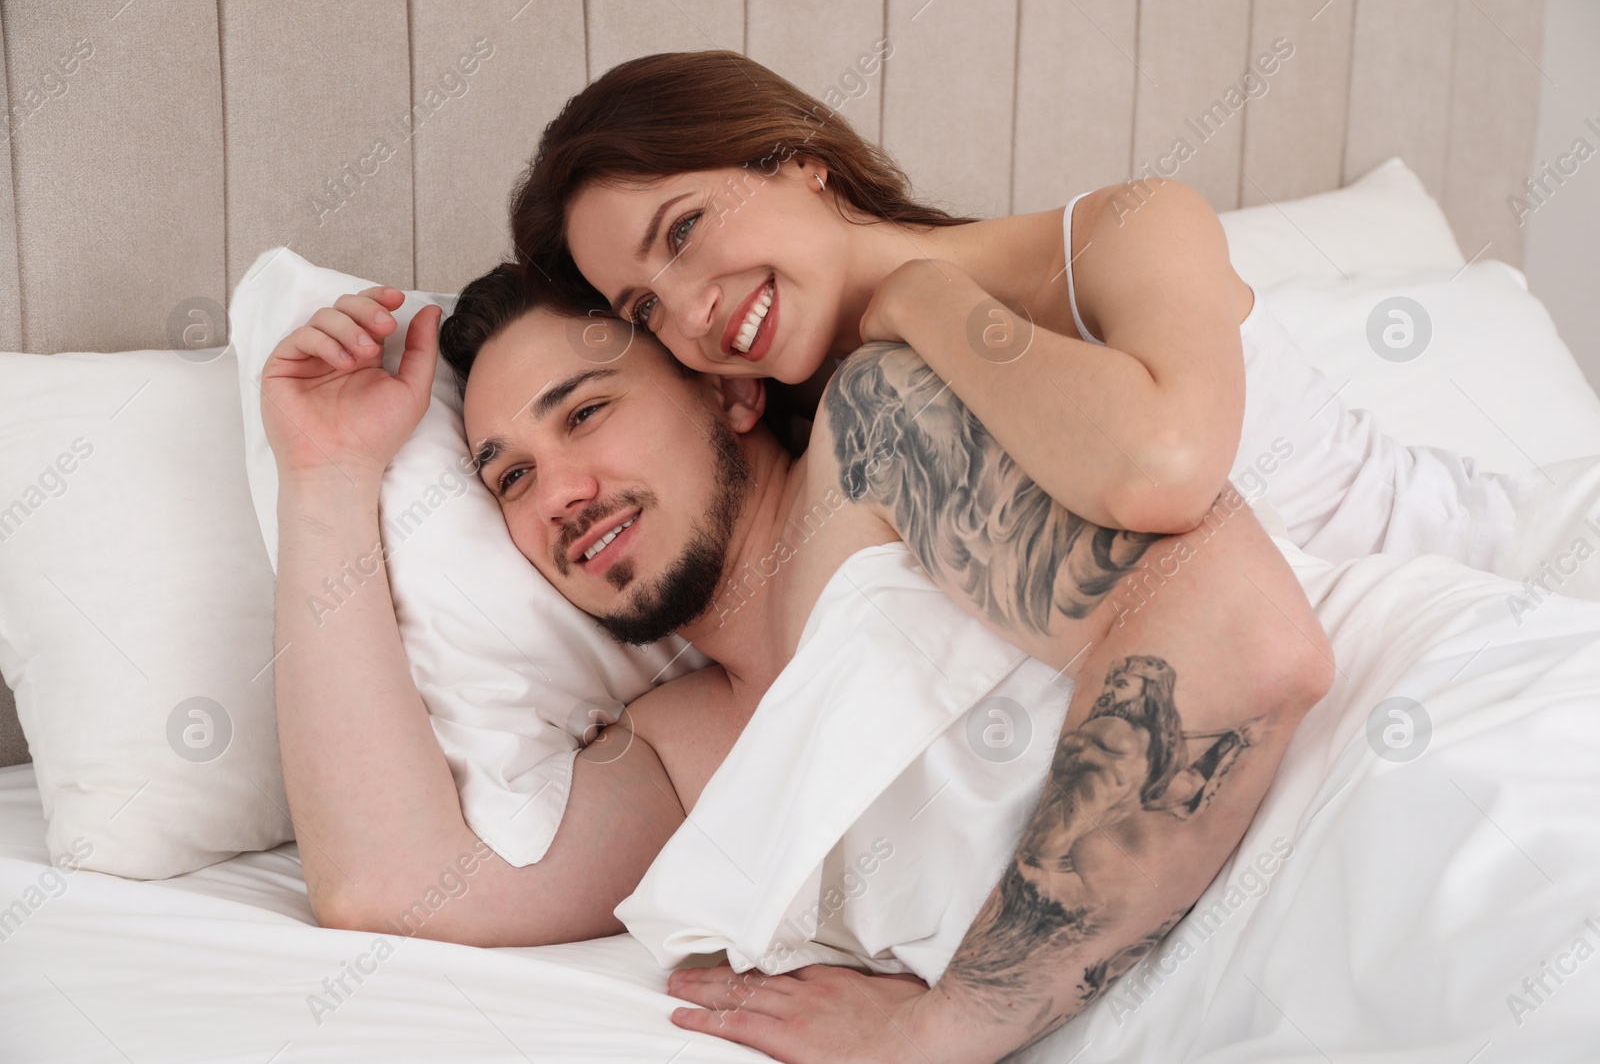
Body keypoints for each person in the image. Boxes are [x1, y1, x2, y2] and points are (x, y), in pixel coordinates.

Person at [260, 259, 1331, 1063]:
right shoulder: (689, 746)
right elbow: (387, 883)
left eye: (586, 413)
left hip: (1386, 806)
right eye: (508, 478)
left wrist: (944, 1022)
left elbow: (1246, 651)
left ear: (728, 393)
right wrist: (323, 472)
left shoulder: (883, 433)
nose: (558, 495)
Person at [511, 49, 1600, 600]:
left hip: (1522, 562)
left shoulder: (1125, 231)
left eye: (686, 227)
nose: (691, 309)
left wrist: (921, 298)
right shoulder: (841, 430)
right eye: (642, 307)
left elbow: (1160, 470)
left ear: (796, 159)